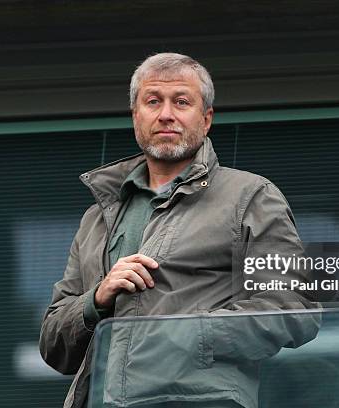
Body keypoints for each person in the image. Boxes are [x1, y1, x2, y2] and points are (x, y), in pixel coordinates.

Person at [39, 52, 320, 408]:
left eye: (181, 102)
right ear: (136, 116)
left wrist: (188, 333)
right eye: (153, 101)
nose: (166, 114)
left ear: (206, 120)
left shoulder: (250, 196)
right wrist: (97, 298)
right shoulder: (97, 216)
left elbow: (294, 308)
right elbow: (52, 343)